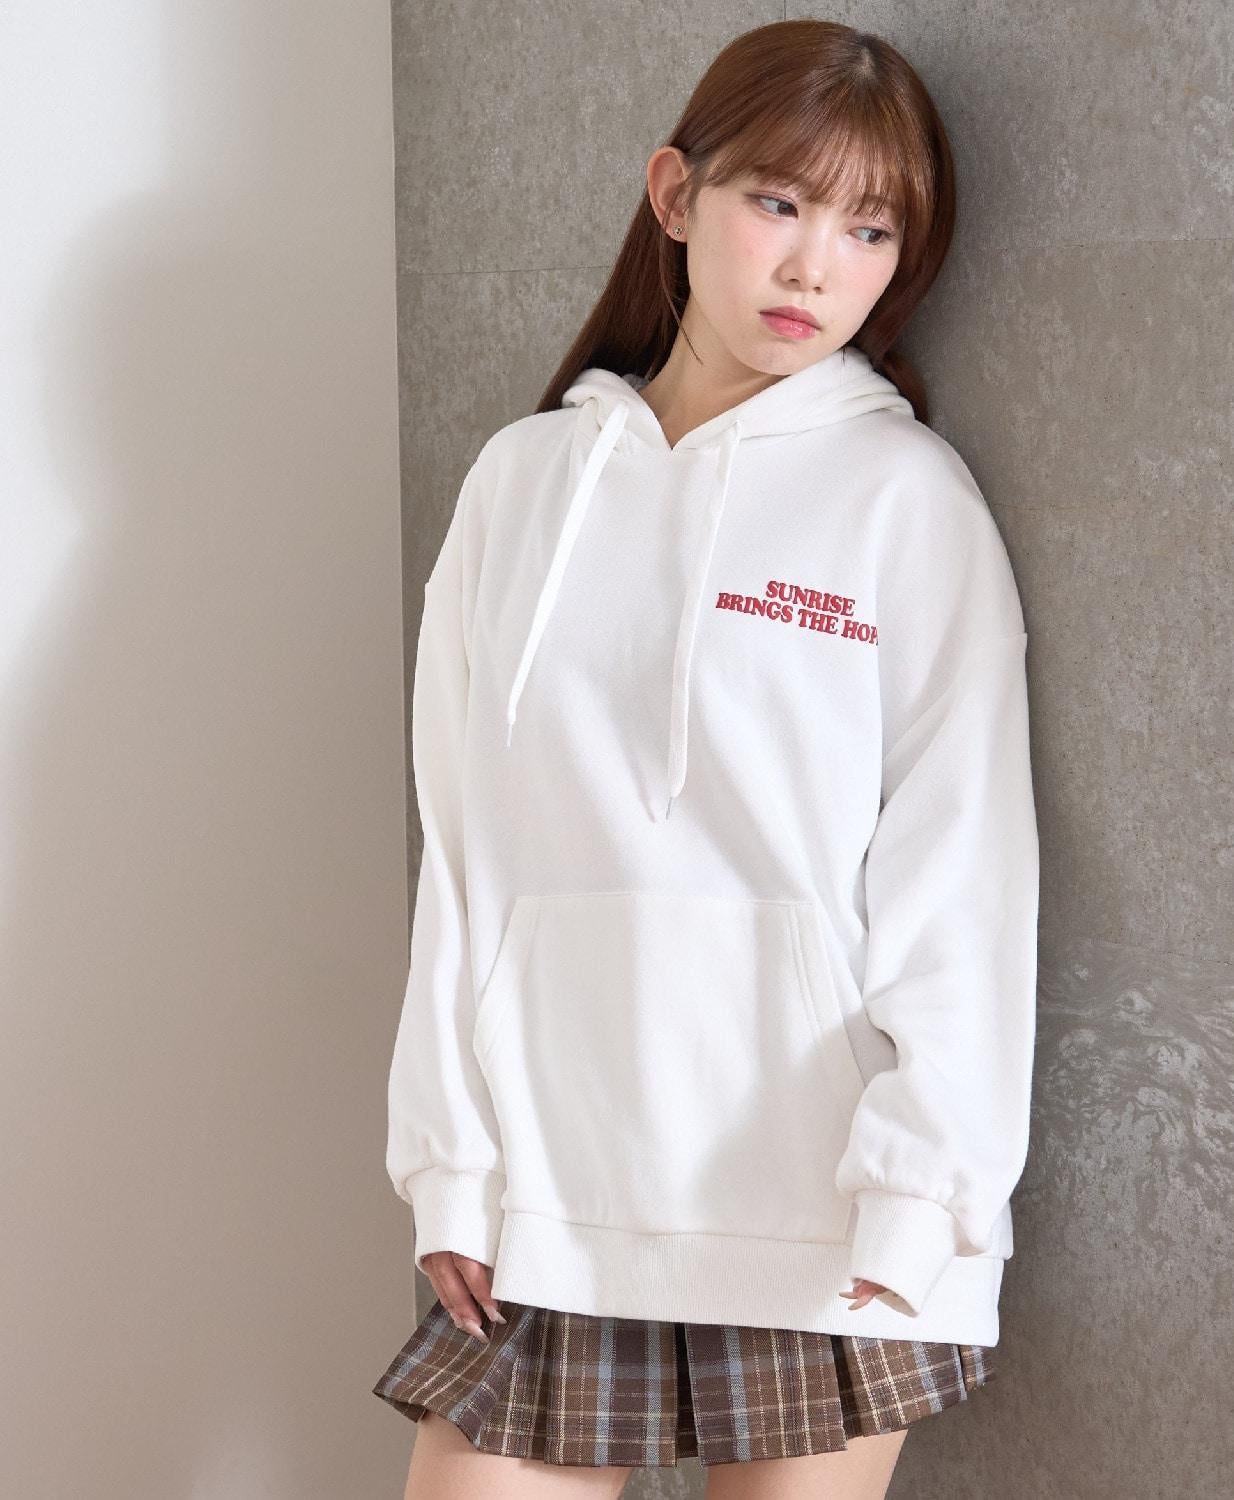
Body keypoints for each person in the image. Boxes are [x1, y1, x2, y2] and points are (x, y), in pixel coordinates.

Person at [372, 18, 1039, 1498]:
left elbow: (964, 870)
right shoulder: (521, 483)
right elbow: (460, 850)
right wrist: (452, 1166)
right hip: (550, 1189)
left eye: (870, 229)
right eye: (779, 204)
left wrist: (922, 1189)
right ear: (675, 195)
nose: (816, 268)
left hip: (827, 1202)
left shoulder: (907, 501)